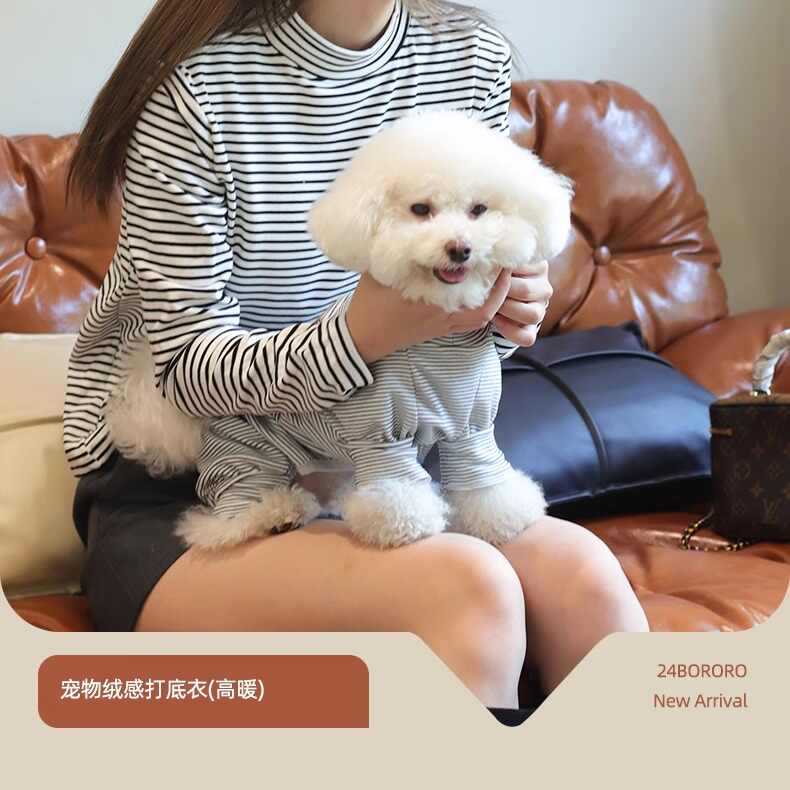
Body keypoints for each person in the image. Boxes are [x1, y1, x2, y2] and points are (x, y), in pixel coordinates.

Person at [65, 0, 650, 711]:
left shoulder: (469, 56)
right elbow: (187, 372)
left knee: (587, 579)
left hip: (388, 465)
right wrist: (359, 336)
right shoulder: (195, 92)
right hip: (199, 492)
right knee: (468, 588)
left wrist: (503, 308)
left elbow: (467, 295)